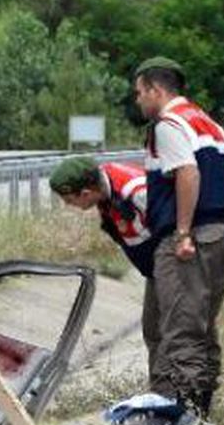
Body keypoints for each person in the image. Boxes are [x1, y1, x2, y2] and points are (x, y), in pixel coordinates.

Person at [133, 56, 224, 417]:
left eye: (140, 93)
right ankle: (204, 410)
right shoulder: (209, 124)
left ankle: (186, 419)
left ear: (156, 90)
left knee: (179, 330)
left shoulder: (168, 124)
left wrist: (182, 232)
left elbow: (187, 174)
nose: (138, 101)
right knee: (203, 327)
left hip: (189, 239)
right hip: (220, 234)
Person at [49, 157, 162, 387]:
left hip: (176, 267)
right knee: (153, 330)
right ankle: (161, 392)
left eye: (70, 200)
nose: (69, 206)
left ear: (86, 192)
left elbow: (178, 229)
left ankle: (181, 398)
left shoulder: (136, 191)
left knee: (176, 332)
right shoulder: (105, 191)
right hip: (155, 271)